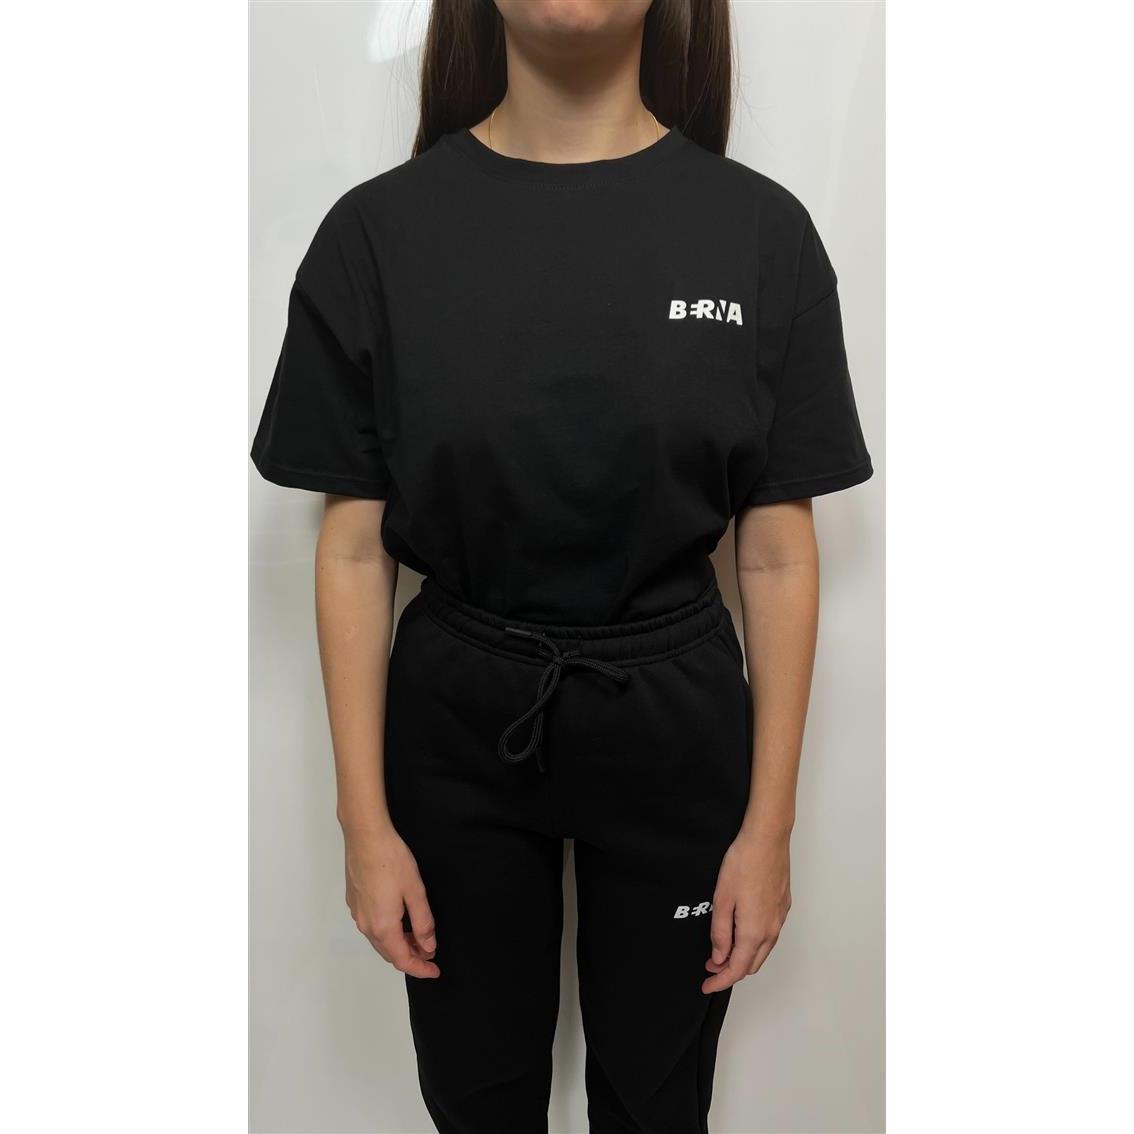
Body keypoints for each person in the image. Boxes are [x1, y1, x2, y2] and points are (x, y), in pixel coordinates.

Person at [251, 1, 872, 1130]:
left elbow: (778, 555)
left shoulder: (760, 235)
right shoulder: (377, 235)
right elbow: (352, 547)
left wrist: (769, 831)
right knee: (476, 1099)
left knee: (658, 1100)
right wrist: (364, 826)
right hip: (456, 728)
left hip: (678, 729)